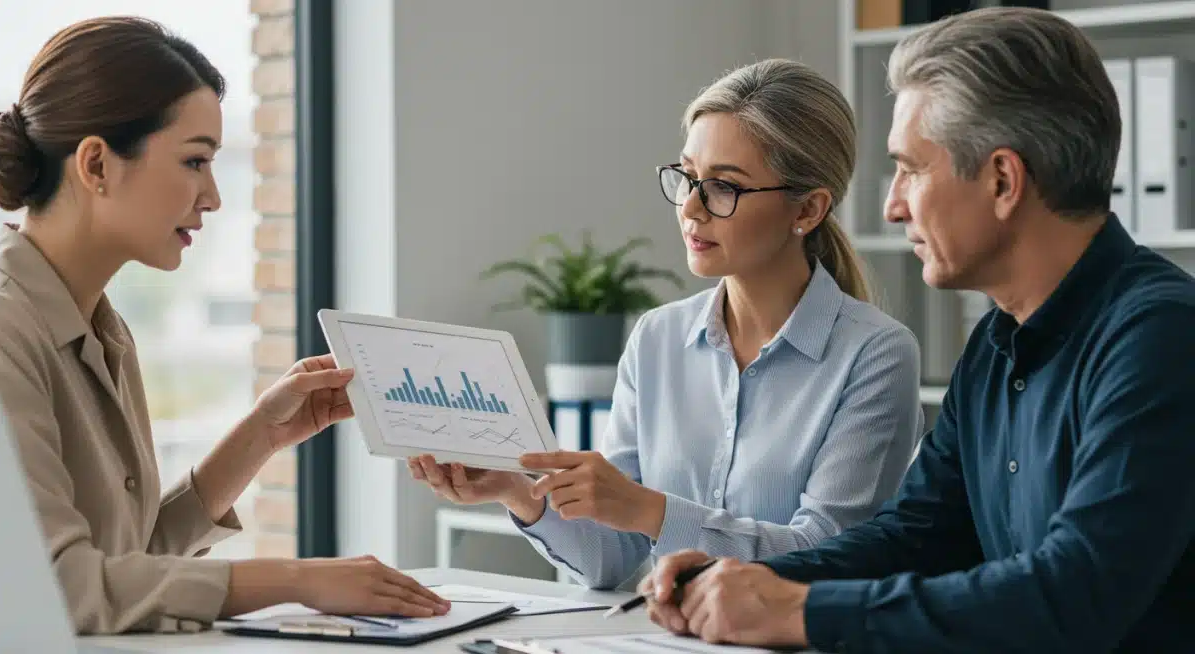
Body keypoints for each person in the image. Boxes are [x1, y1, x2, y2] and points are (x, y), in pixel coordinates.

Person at [641, 7, 1195, 653]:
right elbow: (917, 534)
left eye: (911, 167)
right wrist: (745, 580)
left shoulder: (1161, 338)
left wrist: (801, 612)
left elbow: (1074, 593)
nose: (891, 204)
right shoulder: (996, 345)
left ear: (1002, 180)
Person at [0, 17, 449, 635]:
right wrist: (297, 580)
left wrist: (262, 433)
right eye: (194, 161)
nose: (212, 196)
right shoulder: (4, 327)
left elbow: (132, 565)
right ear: (97, 164)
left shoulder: (103, 329)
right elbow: (58, 587)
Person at [408, 58, 925, 590]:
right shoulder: (656, 338)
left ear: (808, 210)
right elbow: (611, 559)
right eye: (687, 177)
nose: (691, 208)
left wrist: (652, 511)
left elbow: (825, 553)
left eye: (725, 187)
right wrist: (518, 491)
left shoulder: (877, 354)